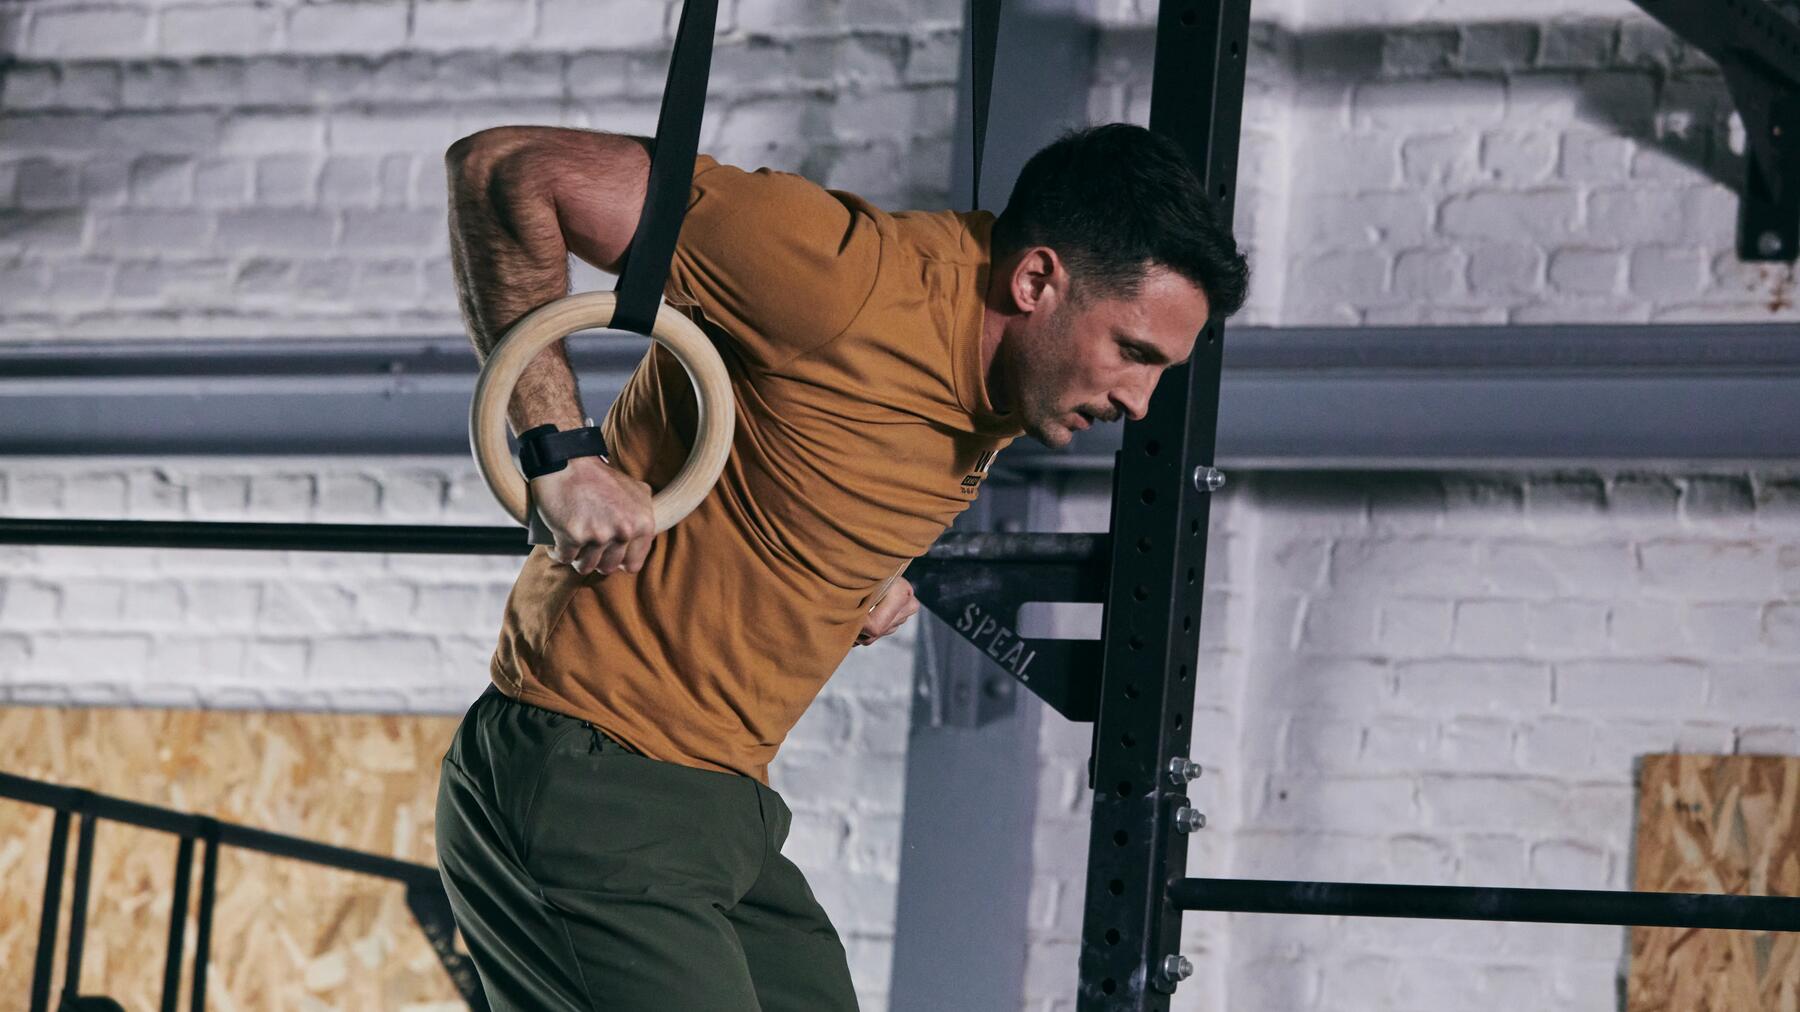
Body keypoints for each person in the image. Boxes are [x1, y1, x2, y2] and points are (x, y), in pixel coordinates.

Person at [434, 122, 1248, 1010]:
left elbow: (833, 437)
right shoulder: (846, 277)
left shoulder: (1001, 385)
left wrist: (870, 566)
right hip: (592, 773)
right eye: (1133, 352)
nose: (1141, 400)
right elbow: (511, 169)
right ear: (1035, 281)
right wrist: (561, 451)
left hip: (725, 806)